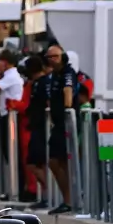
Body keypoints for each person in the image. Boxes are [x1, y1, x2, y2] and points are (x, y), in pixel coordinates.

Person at [8, 55, 48, 204]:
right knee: (32, 162)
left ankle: (43, 191)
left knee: (35, 162)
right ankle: (41, 191)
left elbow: (27, 105)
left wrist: (13, 104)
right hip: (30, 125)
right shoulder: (32, 84)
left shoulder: (38, 84)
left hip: (33, 126)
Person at [0, 49, 25, 201]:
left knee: (13, 154)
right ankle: (13, 188)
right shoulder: (7, 77)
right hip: (6, 116)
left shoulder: (11, 76)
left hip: (12, 118)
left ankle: (18, 189)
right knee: (7, 154)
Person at [43, 44, 77, 214]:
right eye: (49, 57)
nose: (51, 60)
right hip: (57, 123)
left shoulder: (67, 73)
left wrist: (66, 108)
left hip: (65, 123)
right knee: (60, 162)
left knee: (55, 162)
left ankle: (70, 200)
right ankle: (68, 199)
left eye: (54, 57)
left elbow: (68, 92)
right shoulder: (54, 75)